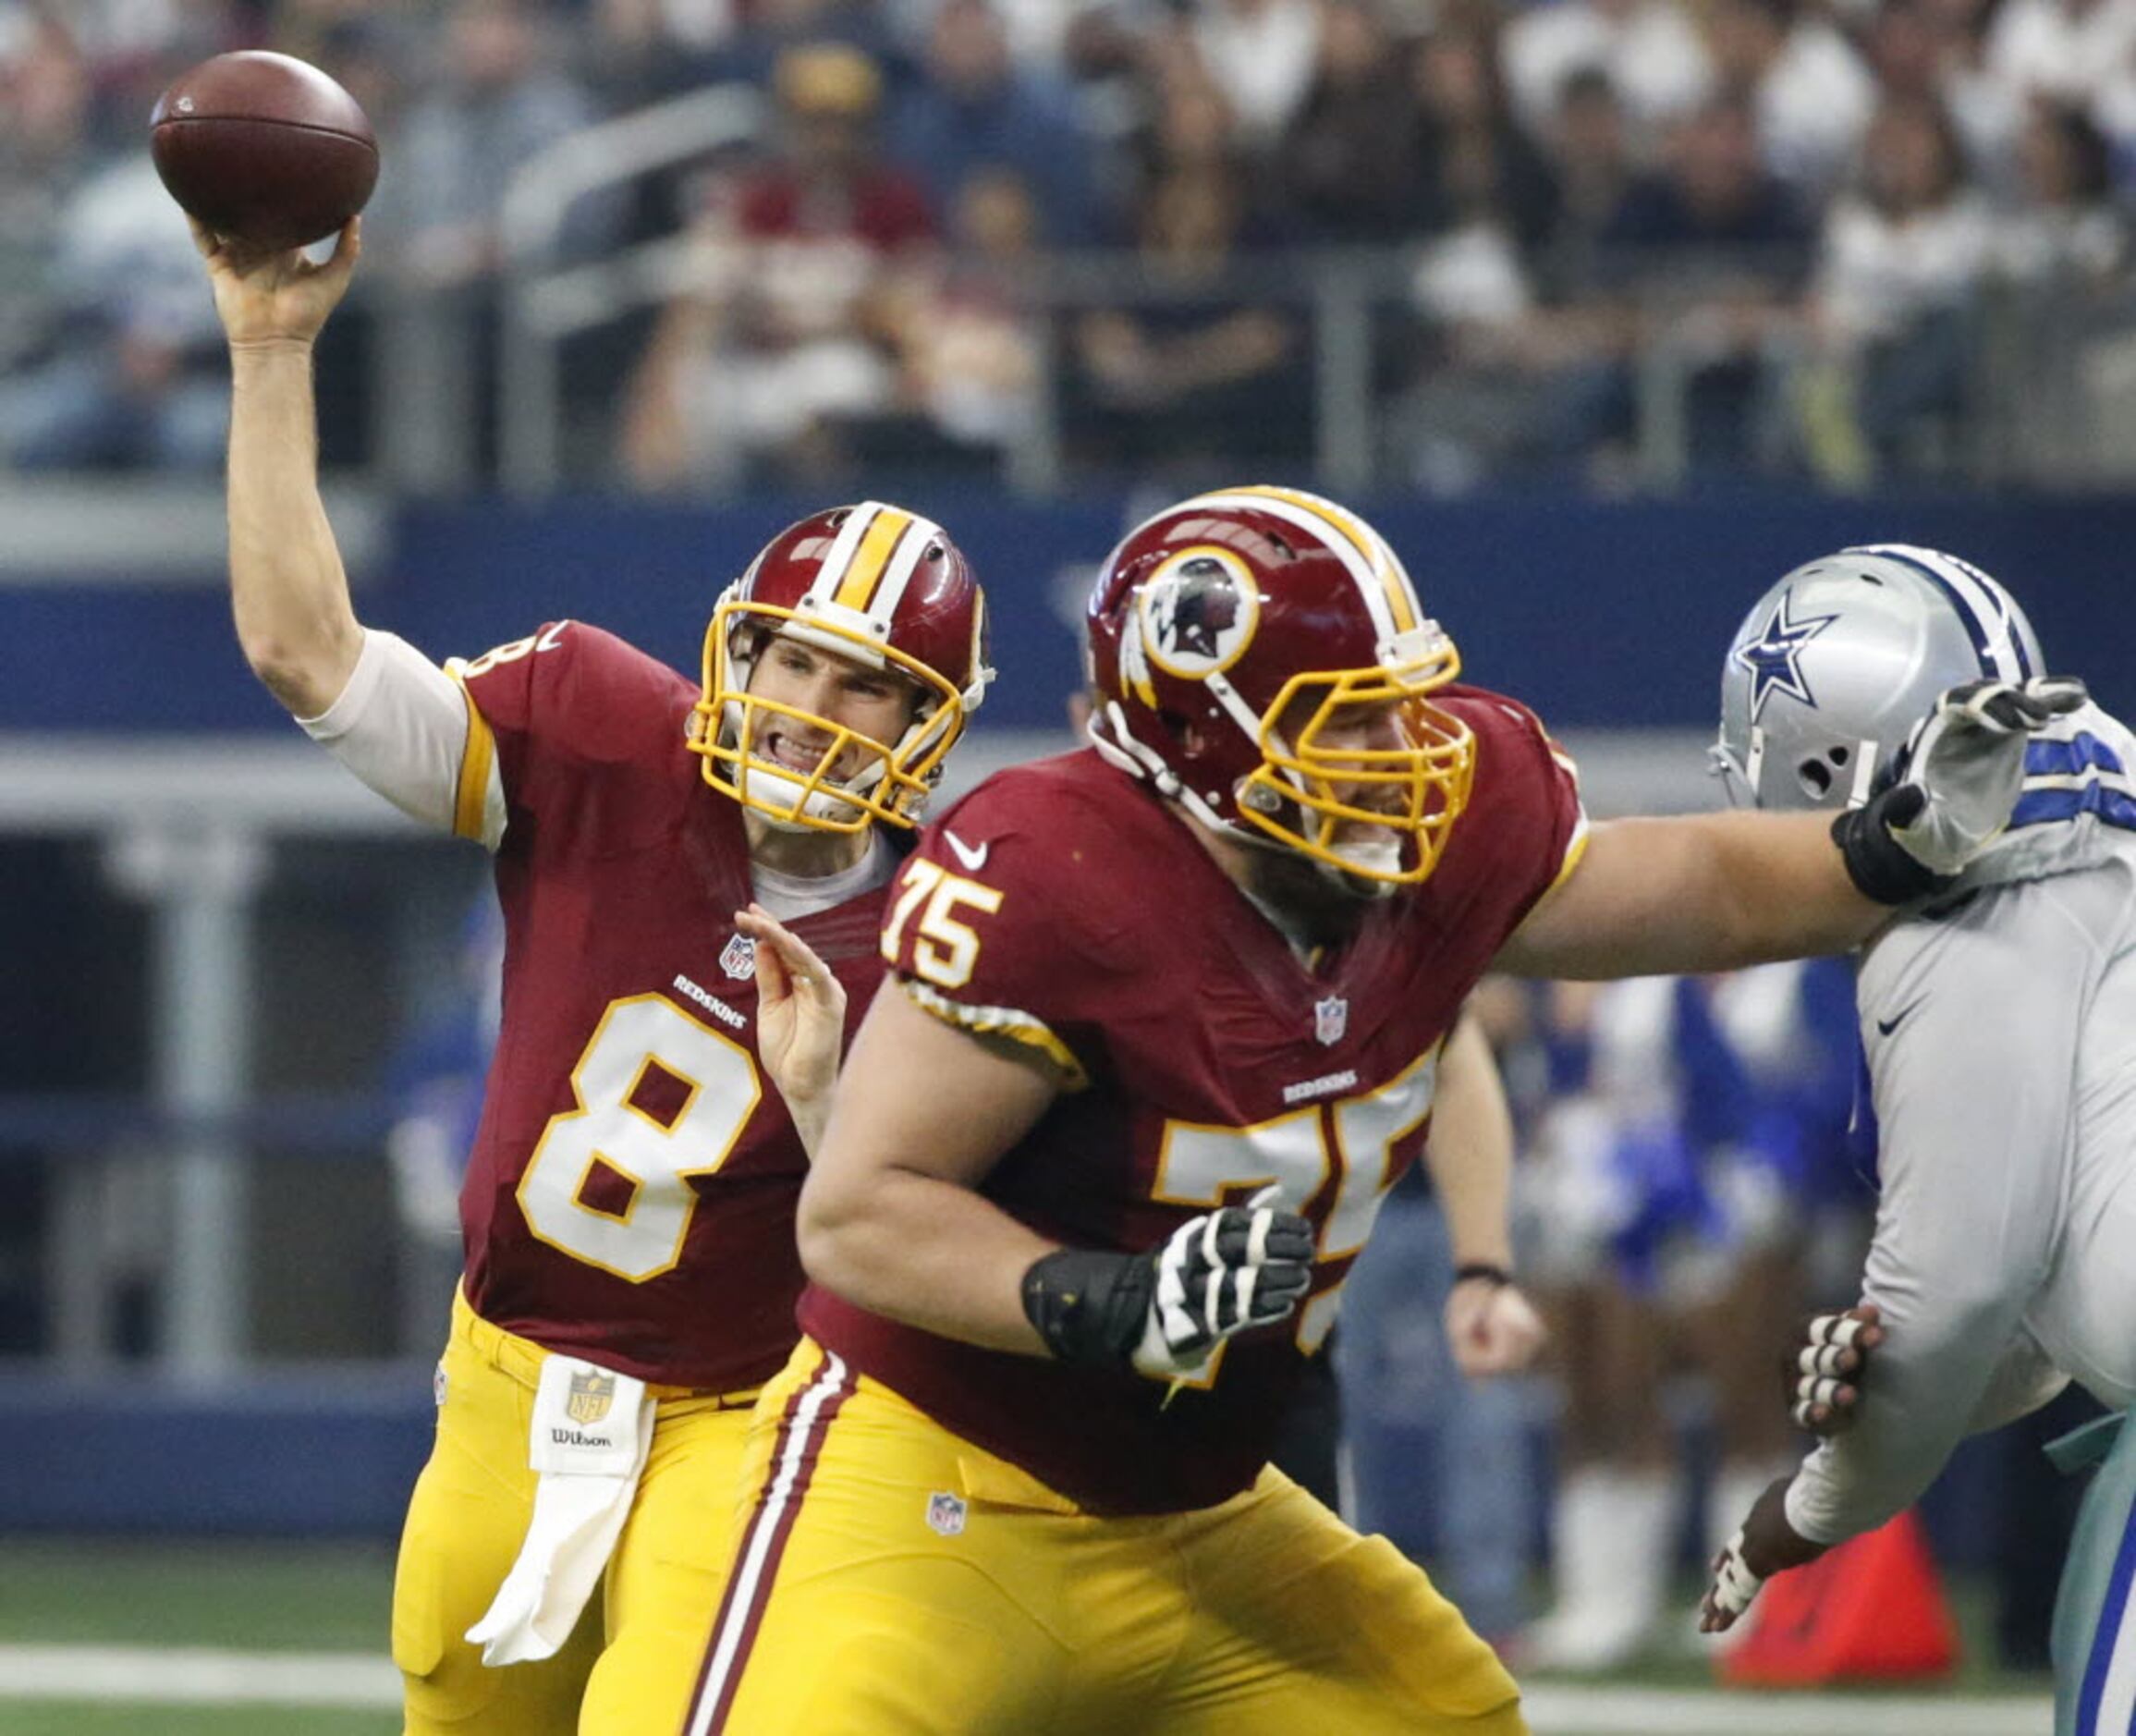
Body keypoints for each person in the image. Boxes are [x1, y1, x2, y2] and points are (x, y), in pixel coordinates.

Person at [678, 485, 2078, 1735]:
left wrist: (1886, 853)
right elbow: (862, 1214)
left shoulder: (1435, 817)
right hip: (942, 1484)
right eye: (1343, 720)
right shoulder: (1054, 877)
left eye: (1395, 705)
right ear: (1193, 738)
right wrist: (1109, 1298)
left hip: (1205, 1508)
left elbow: (1695, 879)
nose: (1401, 750)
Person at [189, 214, 992, 1736]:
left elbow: (937, 1264)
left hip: (744, 1421)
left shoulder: (954, 933)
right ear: (736, 656)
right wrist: (273, 345)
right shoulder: (605, 731)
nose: (815, 712)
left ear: (928, 726)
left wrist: (837, 1103)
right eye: (795, 663)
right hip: (506, 1377)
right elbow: (307, 653)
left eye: (869, 687)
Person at [1695, 544, 2136, 1736]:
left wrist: (1799, 1512)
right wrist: (1916, 1376)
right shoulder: (2109, 806)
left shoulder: (1962, 926)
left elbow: (1957, 1291)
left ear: (1829, 763)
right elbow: (2074, 1266)